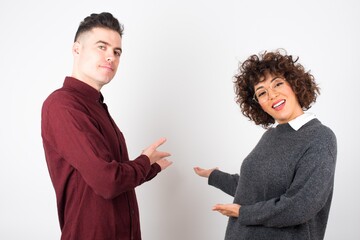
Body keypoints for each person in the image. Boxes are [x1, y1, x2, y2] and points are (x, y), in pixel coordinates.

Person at [41, 12, 172, 240]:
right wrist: (143, 163)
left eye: (117, 52)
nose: (110, 56)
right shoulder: (62, 105)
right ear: (77, 49)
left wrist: (147, 167)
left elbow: (109, 177)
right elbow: (107, 182)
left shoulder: (97, 106)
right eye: (101, 47)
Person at [194, 49, 337, 240]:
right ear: (258, 104)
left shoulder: (320, 137)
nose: (272, 94)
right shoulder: (270, 136)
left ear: (294, 84)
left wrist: (242, 213)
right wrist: (214, 175)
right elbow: (253, 188)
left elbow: (300, 206)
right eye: (262, 93)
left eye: (277, 83)